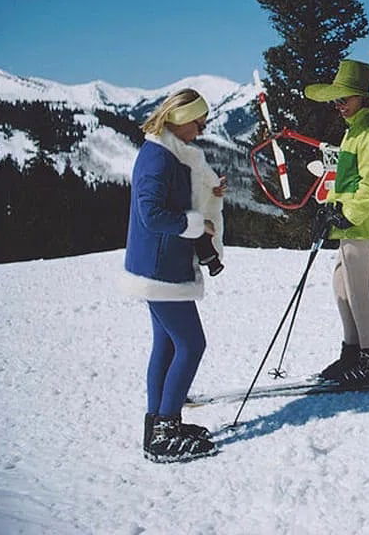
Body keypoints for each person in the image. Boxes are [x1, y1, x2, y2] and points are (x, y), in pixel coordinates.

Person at [122, 88, 226, 463]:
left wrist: (210, 192)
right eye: (199, 123)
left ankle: (161, 424)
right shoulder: (158, 159)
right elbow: (152, 214)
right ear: (182, 120)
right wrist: (199, 226)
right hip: (161, 268)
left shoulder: (166, 152)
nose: (202, 129)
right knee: (192, 345)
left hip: (160, 265)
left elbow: (174, 197)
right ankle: (165, 427)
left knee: (166, 345)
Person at [304, 59, 369, 386]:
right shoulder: (356, 129)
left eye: (344, 98)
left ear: (363, 98)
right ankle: (352, 353)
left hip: (364, 222)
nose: (337, 104)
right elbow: (346, 181)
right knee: (342, 286)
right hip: (351, 221)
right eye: (335, 99)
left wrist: (347, 214)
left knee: (357, 289)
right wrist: (328, 209)